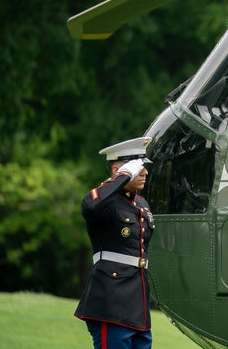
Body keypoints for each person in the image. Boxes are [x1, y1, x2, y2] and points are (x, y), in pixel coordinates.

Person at [75, 136, 155, 349]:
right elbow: (89, 206)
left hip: (138, 303)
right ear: (117, 170)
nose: (145, 172)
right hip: (111, 299)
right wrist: (124, 175)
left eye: (144, 167)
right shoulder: (104, 201)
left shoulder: (141, 203)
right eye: (137, 168)